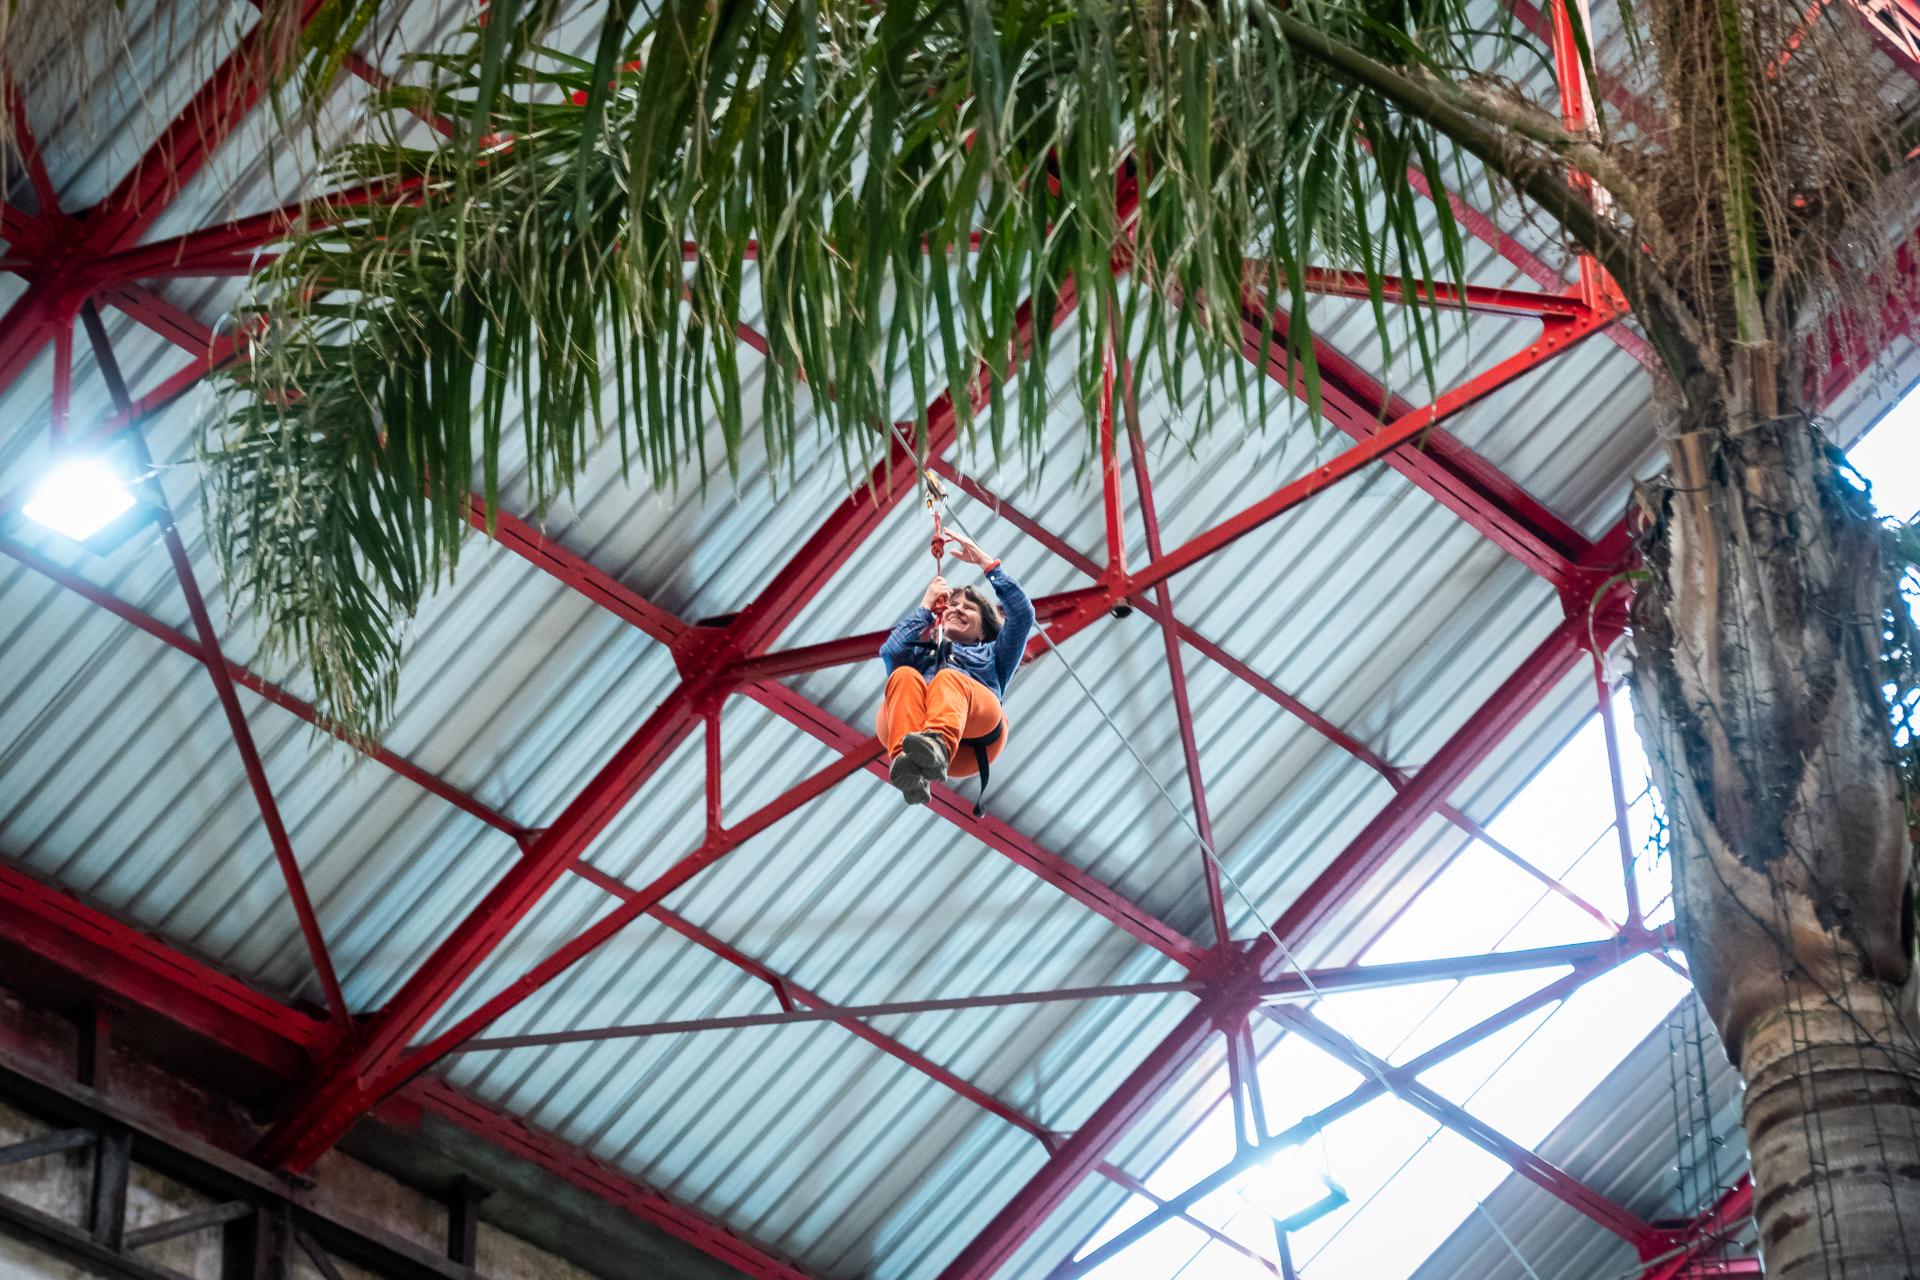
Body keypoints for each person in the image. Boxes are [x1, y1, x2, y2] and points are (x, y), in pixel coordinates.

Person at [876, 531, 1035, 806]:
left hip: (975, 739)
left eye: (969, 608)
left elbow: (1022, 615)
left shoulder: (994, 654)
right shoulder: (924, 656)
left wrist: (986, 564)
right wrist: (926, 606)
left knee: (948, 678)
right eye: (953, 605)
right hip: (917, 732)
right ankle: (910, 767)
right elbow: (891, 652)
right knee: (902, 674)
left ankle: (937, 745)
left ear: (984, 631)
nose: (957, 609)